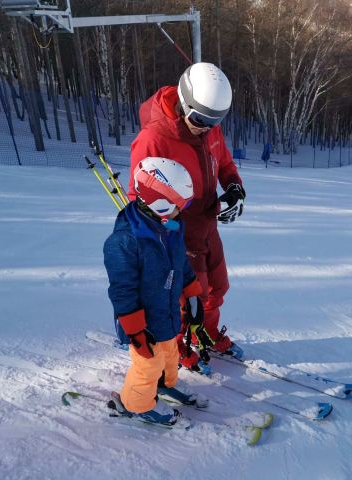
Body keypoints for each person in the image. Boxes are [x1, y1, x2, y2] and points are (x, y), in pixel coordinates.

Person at [127, 62, 246, 371]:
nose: (207, 127)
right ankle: (176, 346)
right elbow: (137, 194)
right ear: (184, 100)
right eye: (201, 119)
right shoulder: (154, 139)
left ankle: (205, 333)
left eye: (215, 120)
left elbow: (225, 164)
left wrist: (234, 188)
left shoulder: (208, 129)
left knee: (217, 288)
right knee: (185, 298)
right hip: (176, 232)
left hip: (207, 225)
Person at [103, 157, 207, 426]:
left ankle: (163, 387)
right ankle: (136, 405)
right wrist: (136, 331)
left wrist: (192, 292)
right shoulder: (124, 242)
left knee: (170, 354)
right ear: (159, 203)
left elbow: (180, 262)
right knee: (147, 364)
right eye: (178, 206)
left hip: (166, 309)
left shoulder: (170, 226)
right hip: (141, 322)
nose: (182, 212)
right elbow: (122, 292)